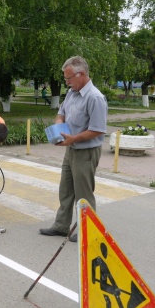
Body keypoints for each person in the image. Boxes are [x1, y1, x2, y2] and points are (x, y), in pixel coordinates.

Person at [39, 56, 108, 242]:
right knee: (66, 190)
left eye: (69, 78)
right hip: (71, 150)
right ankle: (61, 226)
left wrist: (73, 139)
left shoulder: (95, 98)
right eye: (65, 79)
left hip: (86, 152)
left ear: (82, 74)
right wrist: (58, 125)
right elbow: (60, 113)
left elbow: (97, 130)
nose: (67, 83)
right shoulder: (71, 93)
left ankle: (89, 231)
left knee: (83, 194)